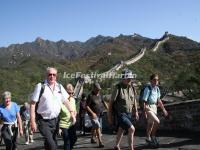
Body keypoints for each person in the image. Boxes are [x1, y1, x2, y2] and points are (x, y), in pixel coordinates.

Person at [30, 67, 76, 150]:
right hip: (43, 121)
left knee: (52, 142)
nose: (52, 76)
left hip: (55, 121)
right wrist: (32, 121)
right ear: (46, 75)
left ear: (56, 76)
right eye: (49, 74)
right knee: (53, 146)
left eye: (54, 75)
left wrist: (72, 113)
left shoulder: (59, 87)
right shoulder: (40, 86)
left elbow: (66, 101)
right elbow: (33, 104)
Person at [108, 69, 139, 150]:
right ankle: (131, 148)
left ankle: (117, 145)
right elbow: (111, 103)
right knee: (132, 129)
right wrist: (109, 116)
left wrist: (136, 111)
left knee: (121, 129)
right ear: (123, 78)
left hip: (129, 113)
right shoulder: (118, 88)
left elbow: (134, 100)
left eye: (131, 78)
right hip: (121, 114)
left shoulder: (132, 87)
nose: (130, 80)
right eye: (128, 78)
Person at [142, 74, 168, 147]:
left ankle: (148, 138)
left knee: (151, 124)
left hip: (154, 107)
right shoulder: (148, 89)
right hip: (148, 107)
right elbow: (144, 101)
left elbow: (159, 101)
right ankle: (153, 137)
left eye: (157, 80)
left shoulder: (157, 89)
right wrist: (145, 112)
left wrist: (164, 109)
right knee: (157, 121)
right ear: (151, 80)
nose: (156, 81)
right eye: (154, 79)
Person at [86, 82, 107, 148]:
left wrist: (108, 109)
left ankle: (92, 139)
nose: (98, 90)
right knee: (97, 126)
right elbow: (86, 106)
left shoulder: (100, 94)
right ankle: (100, 142)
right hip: (92, 115)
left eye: (99, 89)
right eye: (97, 89)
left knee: (94, 126)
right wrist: (92, 113)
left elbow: (103, 102)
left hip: (99, 113)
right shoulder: (90, 96)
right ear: (94, 88)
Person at [59, 83, 77, 150]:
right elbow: (57, 115)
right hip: (63, 125)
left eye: (72, 93)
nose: (71, 95)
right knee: (67, 141)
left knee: (74, 139)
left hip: (72, 124)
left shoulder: (73, 100)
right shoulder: (60, 101)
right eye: (69, 93)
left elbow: (74, 110)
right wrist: (59, 128)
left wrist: (74, 115)